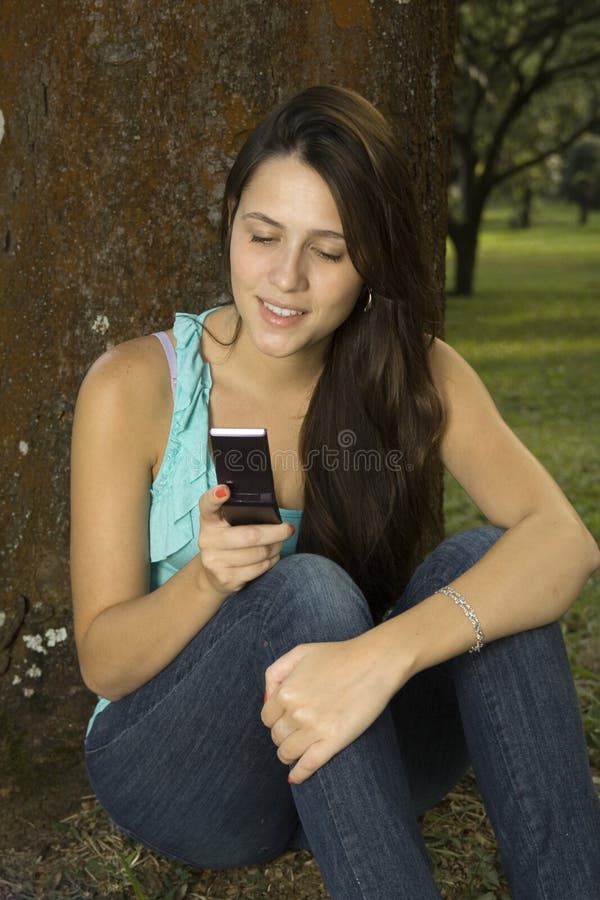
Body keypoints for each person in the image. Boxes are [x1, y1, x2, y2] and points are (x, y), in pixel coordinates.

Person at [70, 86, 600, 900]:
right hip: (184, 771)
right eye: (264, 236)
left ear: (370, 261)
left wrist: (381, 659)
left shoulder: (412, 372)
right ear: (231, 223)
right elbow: (104, 664)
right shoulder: (136, 387)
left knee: (491, 561)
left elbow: (565, 542)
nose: (286, 277)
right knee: (307, 591)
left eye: (329, 249)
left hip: (361, 743)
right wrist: (207, 580)